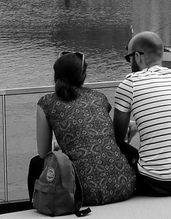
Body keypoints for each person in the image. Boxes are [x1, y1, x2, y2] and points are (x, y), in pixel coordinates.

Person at [32, 51, 136, 206]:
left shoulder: (46, 102)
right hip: (124, 185)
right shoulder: (99, 98)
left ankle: (36, 204)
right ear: (83, 75)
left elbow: (43, 153)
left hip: (82, 191)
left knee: (35, 163)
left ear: (56, 74)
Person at [112, 31, 171, 196]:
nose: (129, 64)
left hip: (156, 183)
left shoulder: (130, 84)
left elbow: (117, 138)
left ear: (137, 56)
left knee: (115, 145)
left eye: (128, 59)